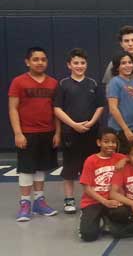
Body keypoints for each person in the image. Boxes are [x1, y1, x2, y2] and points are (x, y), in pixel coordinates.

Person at [9, 47, 60, 222]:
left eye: (43, 59)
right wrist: (18, 133)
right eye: (36, 59)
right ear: (27, 62)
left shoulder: (53, 83)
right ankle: (25, 203)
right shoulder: (18, 82)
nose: (40, 62)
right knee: (26, 169)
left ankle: (39, 201)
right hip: (27, 133)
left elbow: (57, 111)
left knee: (40, 167)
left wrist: (57, 132)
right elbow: (13, 108)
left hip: (47, 132)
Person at [54, 48, 105, 214]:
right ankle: (69, 199)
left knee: (89, 167)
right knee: (70, 168)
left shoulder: (93, 83)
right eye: (76, 63)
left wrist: (90, 123)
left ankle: (89, 199)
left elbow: (100, 106)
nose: (79, 66)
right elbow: (57, 109)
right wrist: (74, 124)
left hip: (91, 132)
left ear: (86, 64)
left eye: (82, 63)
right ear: (69, 65)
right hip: (70, 133)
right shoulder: (63, 84)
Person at [78, 128, 127, 242]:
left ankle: (107, 220)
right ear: (99, 142)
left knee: (123, 214)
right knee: (88, 235)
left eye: (113, 142)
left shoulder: (120, 157)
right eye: (106, 141)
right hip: (93, 201)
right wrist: (105, 202)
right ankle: (88, 218)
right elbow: (87, 187)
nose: (110, 145)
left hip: (114, 200)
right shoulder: (91, 160)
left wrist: (125, 160)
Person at [107, 51, 133, 153]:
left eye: (129, 62)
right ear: (117, 67)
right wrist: (126, 129)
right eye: (123, 63)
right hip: (119, 130)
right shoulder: (115, 82)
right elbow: (113, 108)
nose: (127, 65)